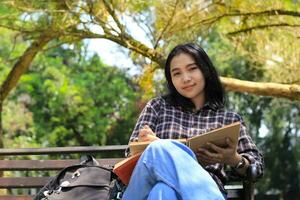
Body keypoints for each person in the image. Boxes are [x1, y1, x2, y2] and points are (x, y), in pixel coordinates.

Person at [122, 43, 263, 200]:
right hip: (143, 189)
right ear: (171, 80)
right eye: (177, 73)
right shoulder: (158, 107)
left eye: (192, 69)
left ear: (205, 70)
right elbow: (130, 156)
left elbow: (256, 167)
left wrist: (233, 159)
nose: (185, 78)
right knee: (157, 150)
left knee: (163, 191)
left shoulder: (229, 120)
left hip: (188, 188)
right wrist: (149, 146)